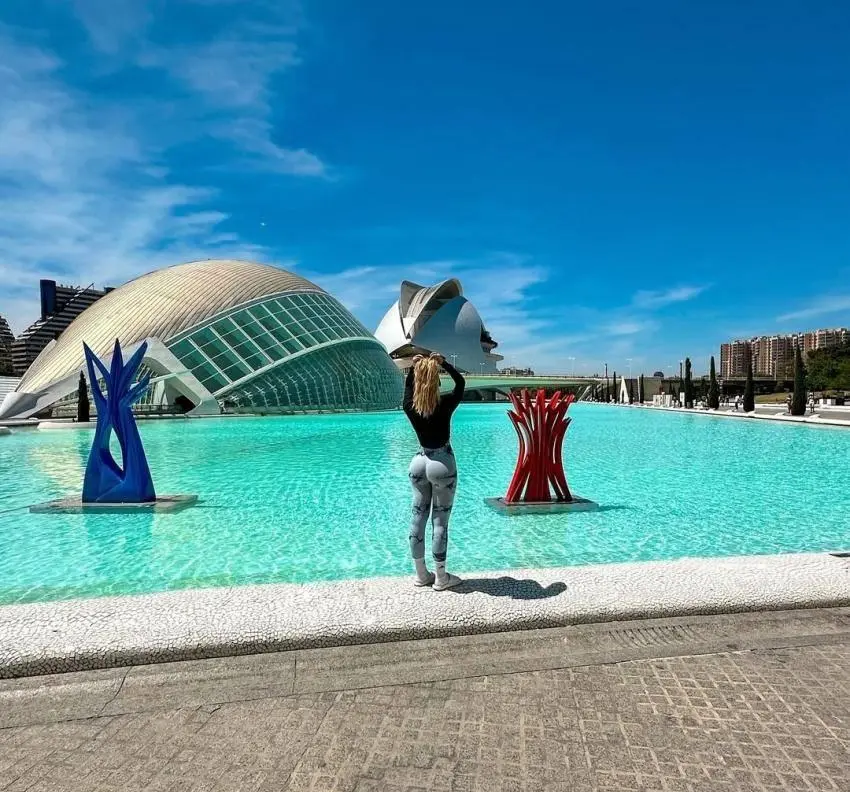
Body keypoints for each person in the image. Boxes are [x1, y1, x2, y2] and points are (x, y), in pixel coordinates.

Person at [403, 352, 465, 591]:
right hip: (441, 463)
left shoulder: (410, 408)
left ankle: (421, 575)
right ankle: (441, 577)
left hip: (419, 462)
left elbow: (408, 391)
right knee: (440, 522)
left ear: (418, 381)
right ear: (437, 381)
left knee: (418, 517)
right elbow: (460, 383)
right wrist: (444, 363)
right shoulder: (446, 403)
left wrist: (413, 369)